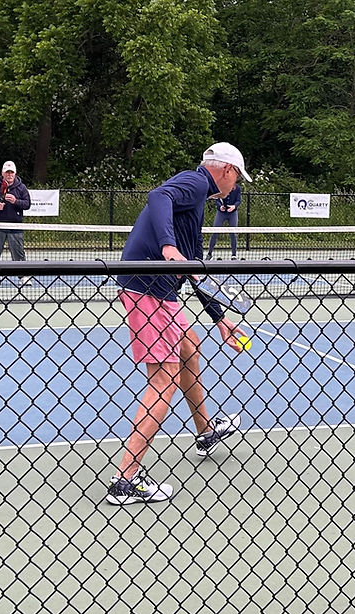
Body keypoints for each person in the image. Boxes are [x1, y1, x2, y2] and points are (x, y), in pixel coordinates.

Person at [107, 142, 254, 505]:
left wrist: (220, 319)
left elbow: (195, 273)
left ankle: (205, 431)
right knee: (164, 379)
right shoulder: (195, 182)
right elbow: (157, 197)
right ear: (227, 171)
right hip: (149, 288)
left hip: (159, 289)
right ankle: (125, 480)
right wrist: (168, 247)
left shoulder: (195, 206)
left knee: (190, 346)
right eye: (237, 179)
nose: (235, 187)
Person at [0, 160, 32, 287]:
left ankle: (23, 276)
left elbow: (27, 204)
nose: (9, 175)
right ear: (2, 173)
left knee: (18, 252)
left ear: (15, 174)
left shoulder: (21, 188)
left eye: (11, 173)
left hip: (15, 226)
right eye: (7, 172)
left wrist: (16, 201)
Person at [206, 183, 241, 259]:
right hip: (221, 213)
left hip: (232, 213)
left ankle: (234, 255)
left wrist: (234, 207)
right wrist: (220, 207)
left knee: (233, 234)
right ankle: (209, 253)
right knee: (215, 232)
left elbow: (238, 200)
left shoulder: (238, 188)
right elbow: (218, 200)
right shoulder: (222, 186)